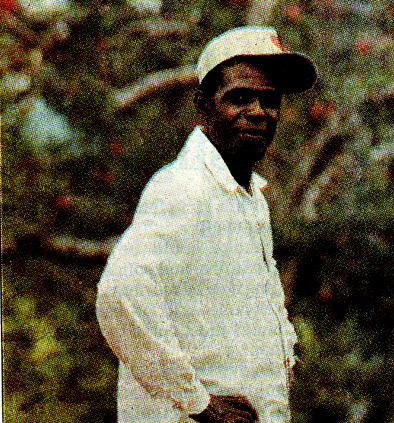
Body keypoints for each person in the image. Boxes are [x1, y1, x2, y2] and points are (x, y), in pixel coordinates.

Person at [96, 26, 317, 423]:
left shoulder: (248, 196)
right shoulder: (185, 187)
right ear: (204, 105)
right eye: (239, 97)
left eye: (270, 101)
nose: (257, 112)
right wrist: (199, 403)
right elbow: (119, 295)